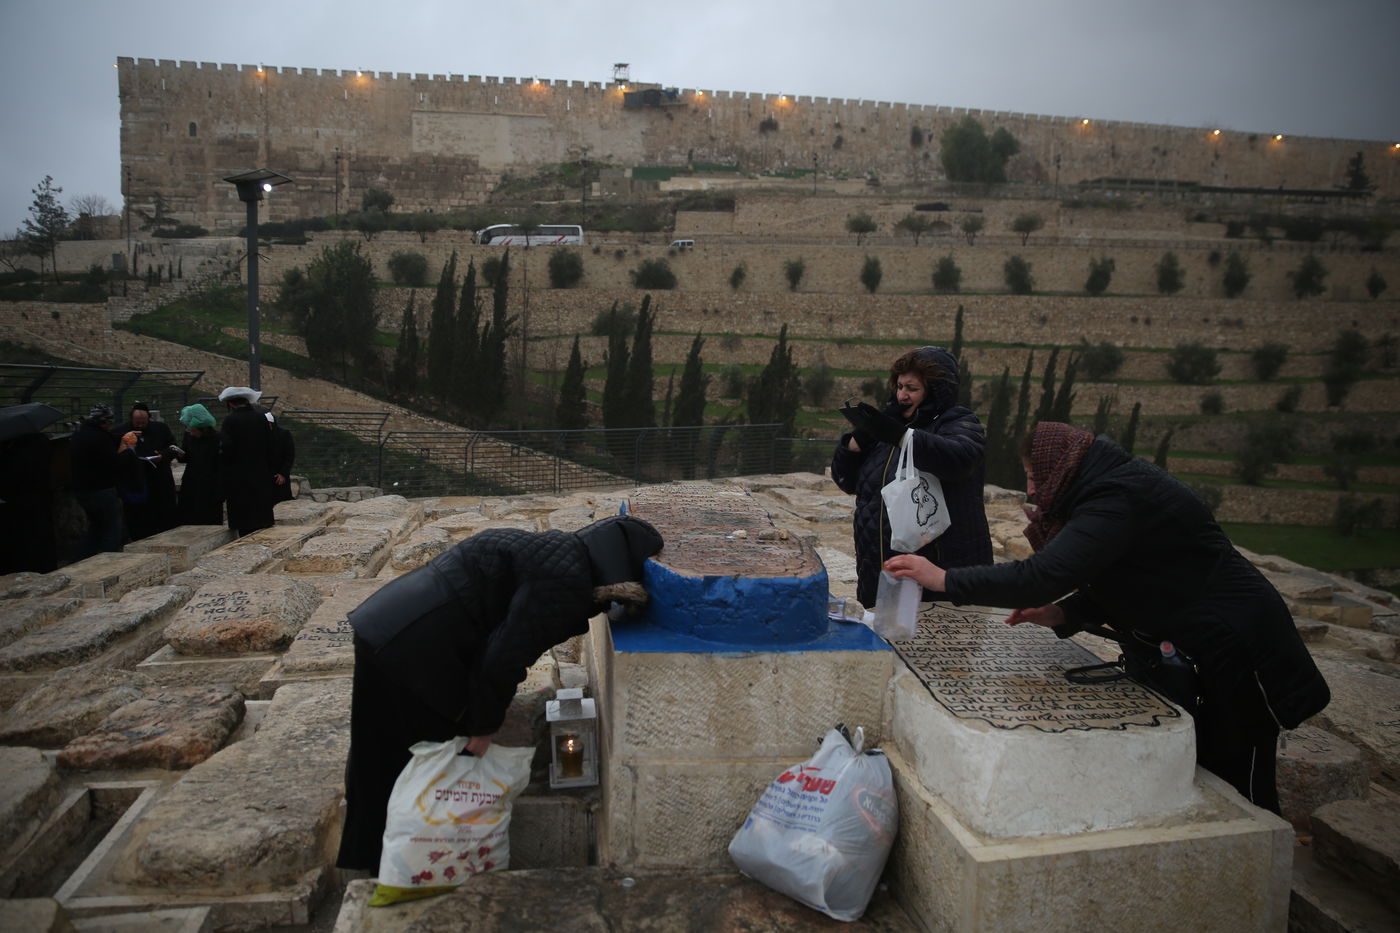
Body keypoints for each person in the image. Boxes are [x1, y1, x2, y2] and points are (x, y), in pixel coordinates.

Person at [884, 421, 1331, 814]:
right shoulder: (1107, 490)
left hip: (1242, 650)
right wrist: (1064, 612)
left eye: (1034, 476)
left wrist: (944, 579)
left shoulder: (1117, 497)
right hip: (1202, 650)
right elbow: (1130, 576)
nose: (1033, 490)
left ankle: (1264, 866)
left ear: (1058, 465)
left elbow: (1041, 576)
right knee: (1200, 765)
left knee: (1241, 779)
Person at [335, 513, 664, 872]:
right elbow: (503, 659)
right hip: (418, 651)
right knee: (422, 759)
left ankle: (366, 860)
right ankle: (408, 869)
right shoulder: (566, 583)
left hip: (384, 622)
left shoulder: (554, 550)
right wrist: (483, 727)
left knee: (375, 753)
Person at [831, 345, 992, 609]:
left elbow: (960, 459)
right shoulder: (889, 427)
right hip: (878, 566)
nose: (902, 395)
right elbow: (845, 480)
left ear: (936, 391)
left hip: (936, 569)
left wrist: (902, 436)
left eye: (912, 388)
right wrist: (859, 439)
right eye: (899, 386)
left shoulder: (958, 421)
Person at [68, 404, 136, 558]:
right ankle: (109, 561)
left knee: (96, 526)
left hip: (82, 489)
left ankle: (83, 559)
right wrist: (128, 450)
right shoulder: (99, 438)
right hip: (101, 488)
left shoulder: (80, 433)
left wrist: (123, 436)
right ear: (104, 422)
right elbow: (114, 463)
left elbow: (109, 439)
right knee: (112, 528)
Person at [112, 402, 179, 541]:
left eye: (143, 422)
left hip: (160, 480)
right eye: (137, 422)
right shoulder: (120, 431)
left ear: (149, 418)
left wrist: (162, 455)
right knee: (139, 520)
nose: (140, 425)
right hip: (136, 482)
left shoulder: (161, 428)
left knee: (165, 517)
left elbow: (173, 447)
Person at [218, 386, 276, 537]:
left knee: (244, 515)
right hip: (260, 470)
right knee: (260, 510)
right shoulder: (260, 418)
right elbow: (270, 444)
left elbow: (227, 447)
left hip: (238, 473)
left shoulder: (230, 420)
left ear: (231, 403)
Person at [173, 403, 223, 525]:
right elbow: (187, 457)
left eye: (193, 429)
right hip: (192, 480)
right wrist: (181, 455)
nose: (190, 432)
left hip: (210, 483)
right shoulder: (189, 436)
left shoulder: (217, 439)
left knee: (209, 516)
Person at [265, 411, 296, 504]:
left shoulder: (284, 434)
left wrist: (283, 473)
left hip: (280, 476)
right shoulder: (261, 435)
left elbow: (290, 456)